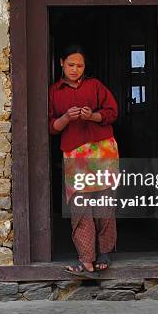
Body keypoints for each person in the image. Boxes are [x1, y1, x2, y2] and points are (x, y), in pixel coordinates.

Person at [48, 45, 120, 277]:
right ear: (61, 63)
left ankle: (105, 252)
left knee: (104, 201)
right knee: (80, 206)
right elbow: (52, 127)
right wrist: (67, 117)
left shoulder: (95, 86)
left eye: (80, 66)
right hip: (75, 152)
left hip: (102, 149)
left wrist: (93, 116)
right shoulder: (54, 92)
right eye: (71, 65)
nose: (75, 70)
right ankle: (86, 258)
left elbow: (112, 112)